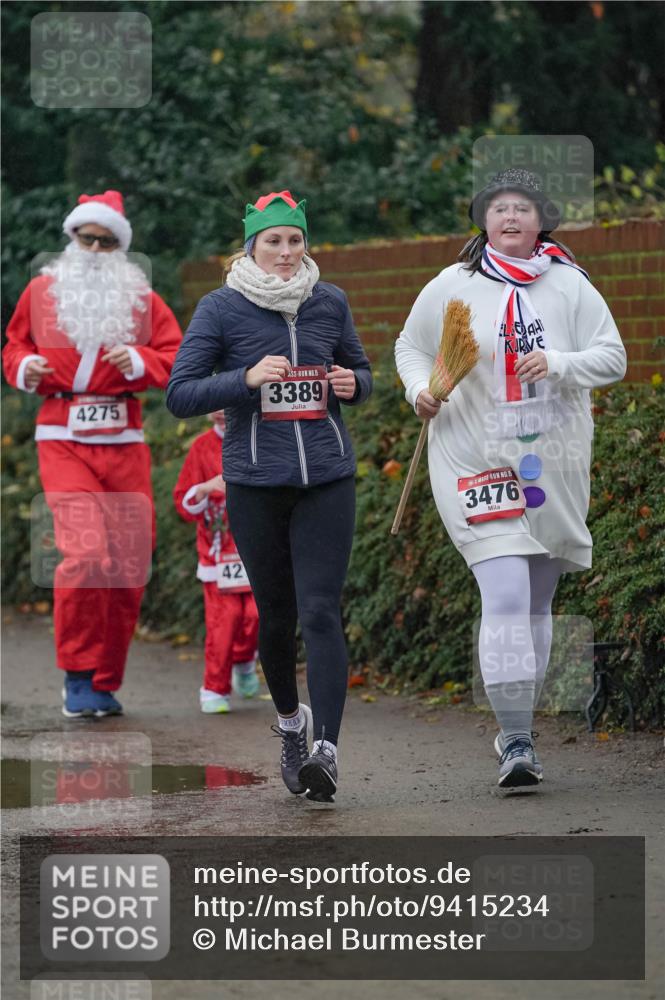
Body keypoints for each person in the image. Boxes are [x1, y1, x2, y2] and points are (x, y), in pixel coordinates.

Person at [395, 168, 626, 788]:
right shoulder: (453, 284)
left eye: (522, 207)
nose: (510, 216)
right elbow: (410, 347)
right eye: (499, 208)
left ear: (541, 221)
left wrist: (558, 362)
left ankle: (517, 728)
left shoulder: (570, 285)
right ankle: (518, 740)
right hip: (473, 458)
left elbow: (613, 356)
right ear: (485, 221)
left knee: (537, 603)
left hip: (553, 462)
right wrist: (419, 389)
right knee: (503, 594)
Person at [167, 190, 372, 801]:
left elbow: (361, 372)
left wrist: (354, 384)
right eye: (273, 241)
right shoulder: (221, 307)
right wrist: (246, 379)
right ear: (251, 247)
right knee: (276, 620)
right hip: (255, 485)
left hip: (327, 479)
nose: (286, 252)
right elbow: (181, 393)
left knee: (321, 611)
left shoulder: (329, 301)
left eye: (295, 240)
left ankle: (327, 751)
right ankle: (290, 725)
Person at [3, 190, 182, 718]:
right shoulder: (42, 291)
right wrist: (25, 368)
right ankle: (77, 674)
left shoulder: (141, 299)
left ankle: (103, 680)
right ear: (73, 239)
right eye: (89, 240)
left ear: (120, 248)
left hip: (123, 441)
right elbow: (13, 346)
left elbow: (177, 358)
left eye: (108, 242)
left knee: (126, 562)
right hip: (62, 439)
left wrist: (141, 362)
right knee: (85, 555)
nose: (98, 250)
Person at [173, 408, 260, 713]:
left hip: (256, 549)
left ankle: (244, 661)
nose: (221, 410)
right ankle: (214, 689)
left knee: (256, 615)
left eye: (229, 402)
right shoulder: (201, 447)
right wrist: (205, 488)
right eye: (215, 402)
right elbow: (183, 502)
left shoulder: (261, 437)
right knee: (224, 622)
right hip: (217, 554)